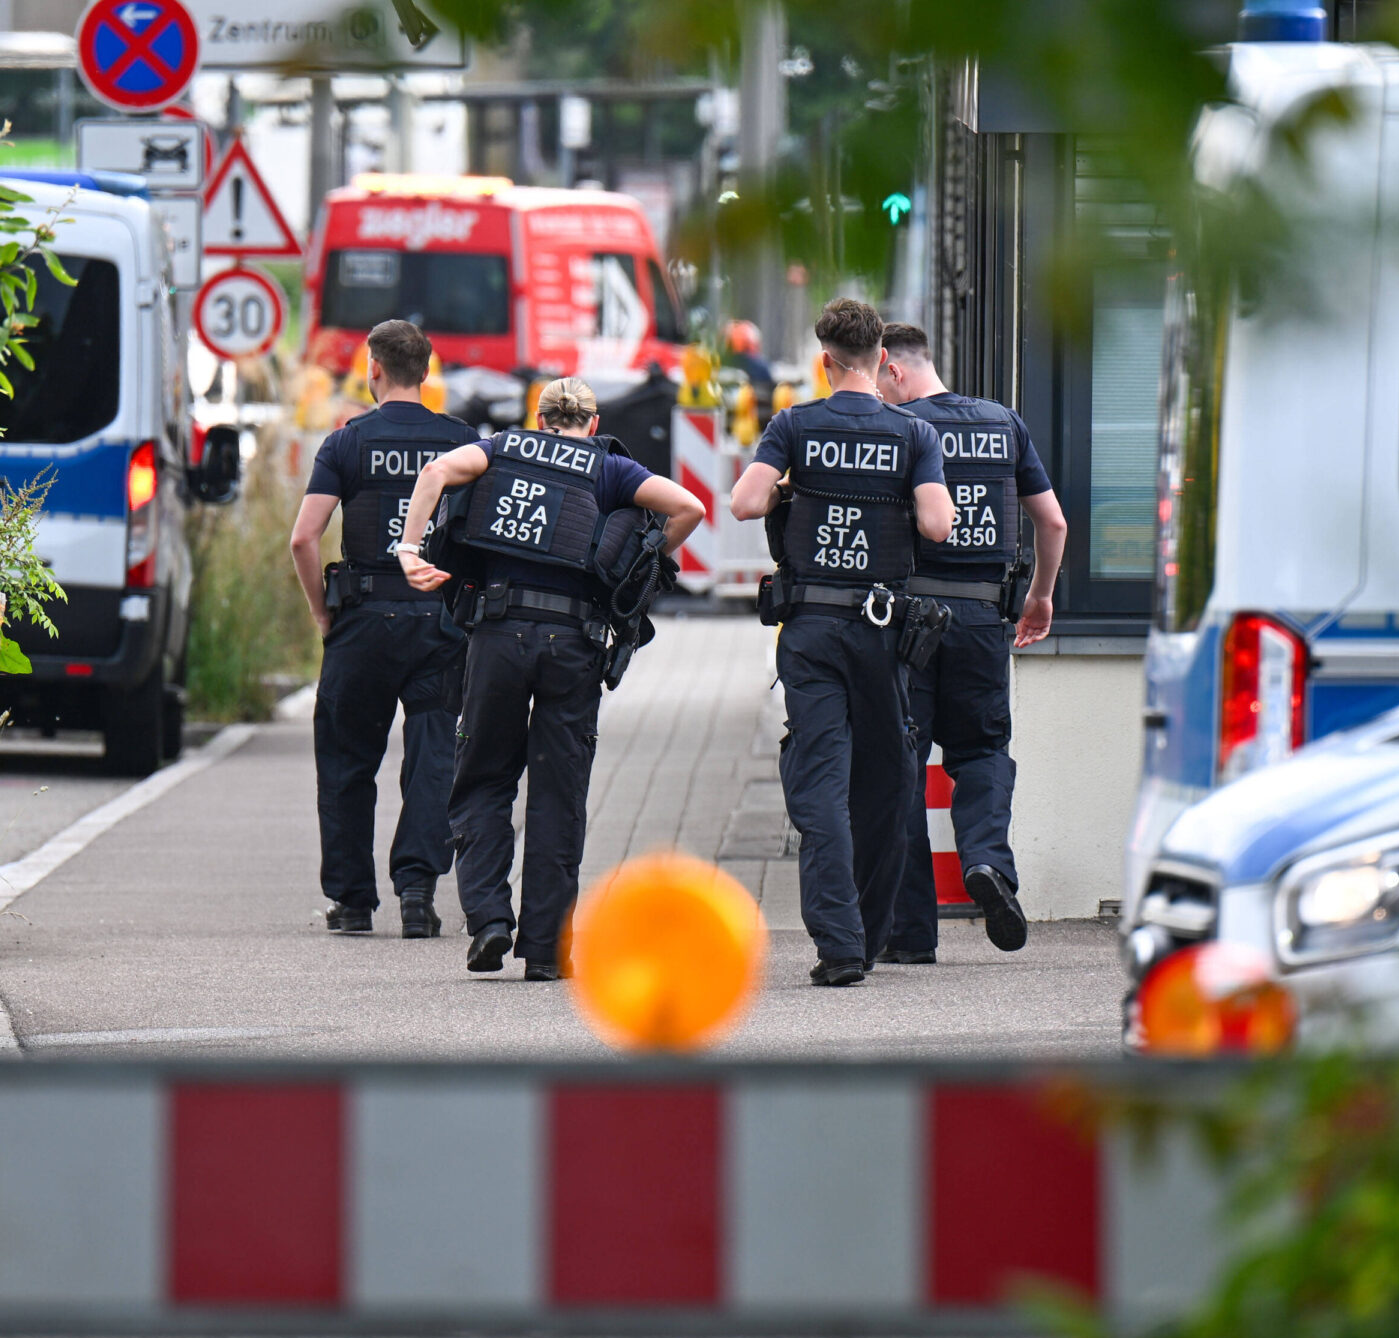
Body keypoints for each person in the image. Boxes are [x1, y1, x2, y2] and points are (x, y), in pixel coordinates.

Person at [394, 378, 705, 981]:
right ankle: (546, 949)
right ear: (592, 423)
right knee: (559, 796)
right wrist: (642, 567)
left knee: (483, 778)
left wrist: (410, 551)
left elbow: (434, 473)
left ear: (540, 419)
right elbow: (688, 506)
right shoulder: (610, 467)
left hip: (497, 635)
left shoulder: (501, 449)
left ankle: (488, 920)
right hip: (574, 645)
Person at [730, 299, 955, 987]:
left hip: (811, 630)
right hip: (883, 632)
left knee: (821, 779)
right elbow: (939, 526)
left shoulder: (794, 425)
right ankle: (872, 926)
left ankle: (839, 943)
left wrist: (799, 489)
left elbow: (743, 502)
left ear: (825, 361)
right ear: (883, 359)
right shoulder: (911, 431)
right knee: (888, 783)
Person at [876, 322, 1069, 962]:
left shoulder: (900, 429)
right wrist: (1040, 596)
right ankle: (988, 864)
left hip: (911, 621)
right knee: (982, 750)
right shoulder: (1003, 423)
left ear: (893, 369)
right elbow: (1053, 520)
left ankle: (910, 937)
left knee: (902, 763)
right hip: (986, 619)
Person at [290, 319, 478, 939]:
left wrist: (323, 613)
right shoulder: (461, 443)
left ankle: (350, 903)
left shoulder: (347, 443)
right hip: (439, 622)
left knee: (347, 758)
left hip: (363, 622)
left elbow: (303, 538)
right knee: (433, 757)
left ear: (373, 367)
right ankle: (419, 894)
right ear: (426, 373)